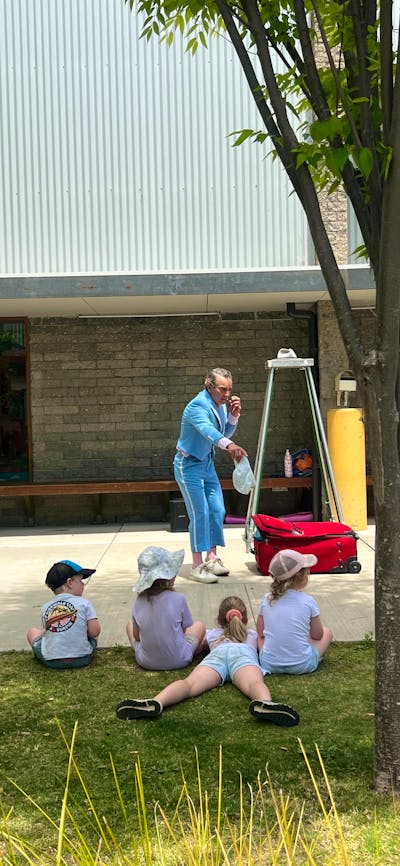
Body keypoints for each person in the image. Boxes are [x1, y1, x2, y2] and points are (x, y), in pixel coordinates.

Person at [116, 595, 299, 726]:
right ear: (244, 619)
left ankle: (156, 702)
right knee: (253, 684)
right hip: (243, 657)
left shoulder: (212, 634)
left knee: (188, 685)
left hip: (216, 658)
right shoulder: (250, 634)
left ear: (219, 620)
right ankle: (266, 703)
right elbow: (264, 648)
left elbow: (198, 646)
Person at [174, 367, 248, 584]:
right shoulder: (197, 406)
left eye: (229, 390)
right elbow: (208, 431)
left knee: (217, 509)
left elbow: (222, 433)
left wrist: (233, 417)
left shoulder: (221, 405)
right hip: (187, 465)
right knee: (200, 512)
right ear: (209, 387)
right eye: (222, 390)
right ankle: (197, 565)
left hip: (206, 464)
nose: (227, 395)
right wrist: (230, 445)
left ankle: (212, 557)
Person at [126, 546, 206, 670]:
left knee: (129, 625)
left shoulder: (138, 601)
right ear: (168, 576)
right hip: (179, 660)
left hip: (146, 662)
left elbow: (137, 637)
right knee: (199, 625)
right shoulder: (179, 598)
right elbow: (184, 631)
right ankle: (190, 652)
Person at [257, 549, 333, 675]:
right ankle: (304, 656)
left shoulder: (267, 599)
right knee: (327, 632)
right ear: (302, 576)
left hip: (269, 663)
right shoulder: (308, 601)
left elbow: (260, 632)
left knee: (259, 638)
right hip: (302, 664)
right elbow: (317, 635)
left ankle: (274, 656)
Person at [26, 560, 101, 669]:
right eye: (80, 580)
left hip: (51, 660)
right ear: (69, 582)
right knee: (92, 625)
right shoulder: (84, 603)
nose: (83, 584)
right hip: (82, 658)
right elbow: (95, 632)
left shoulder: (46, 607)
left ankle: (48, 652)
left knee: (32, 632)